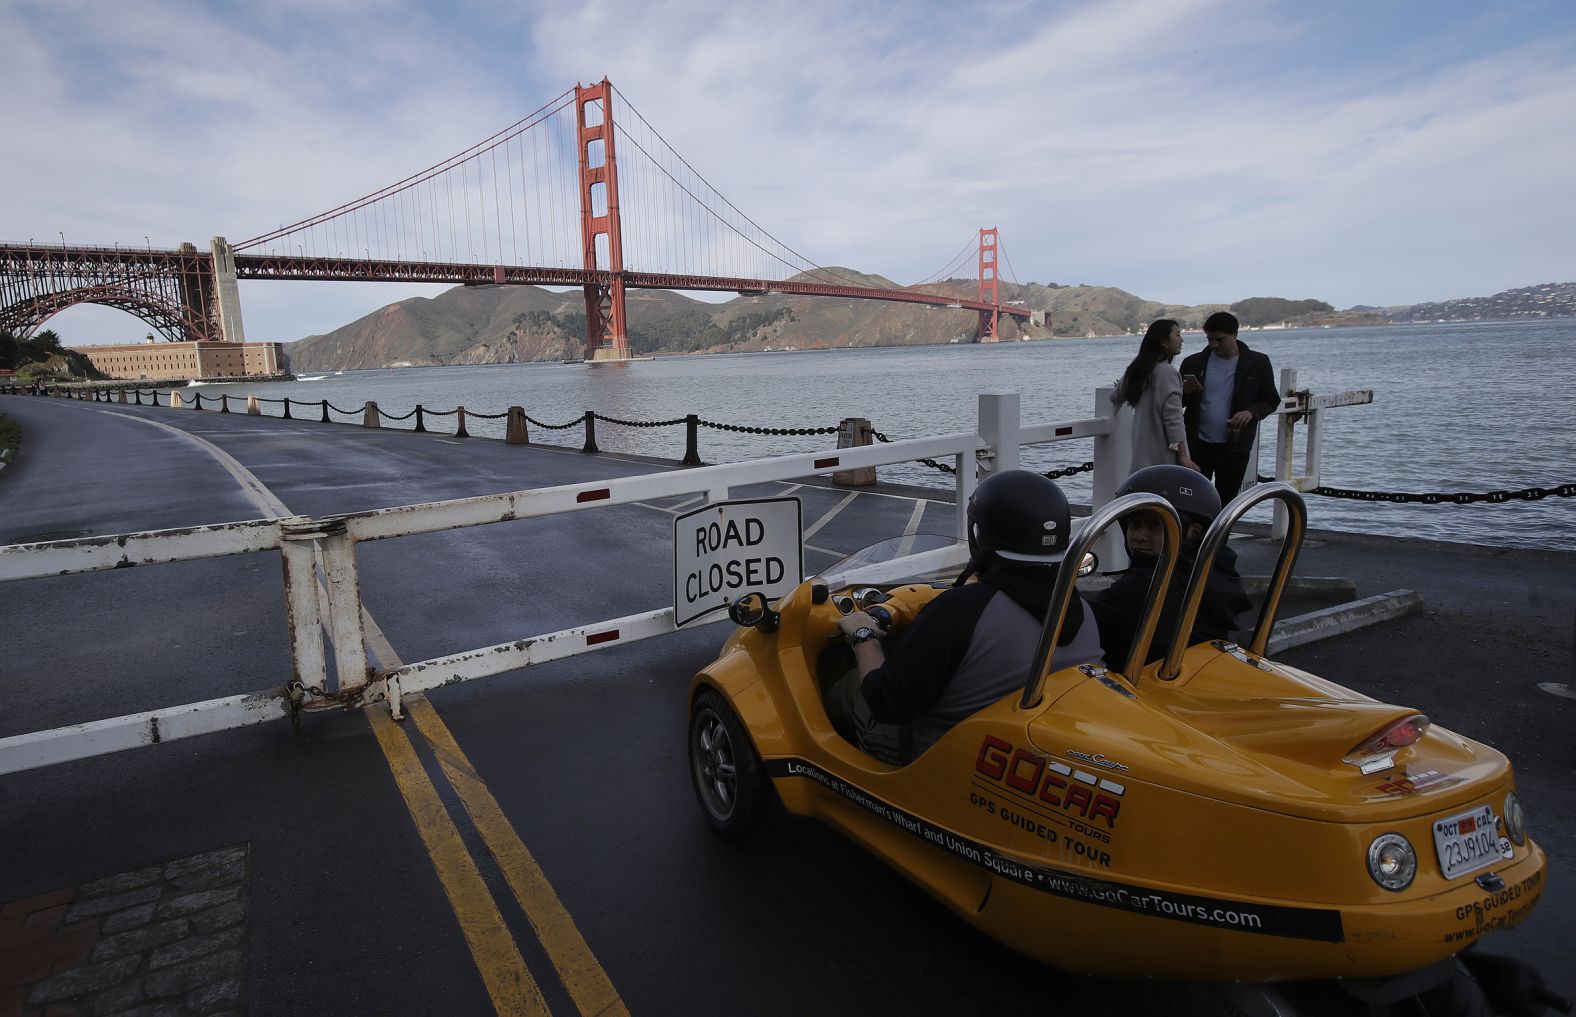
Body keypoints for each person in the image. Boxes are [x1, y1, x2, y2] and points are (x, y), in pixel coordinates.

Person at [825, 470, 1104, 764]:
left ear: (979, 535)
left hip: (945, 759)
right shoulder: (1080, 609)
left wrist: (863, 636)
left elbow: (886, 703)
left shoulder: (961, 611)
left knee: (852, 685)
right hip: (1027, 750)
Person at [1088, 464, 1252, 670]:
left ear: (1193, 531)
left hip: (1137, 690)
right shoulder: (1219, 573)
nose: (1139, 536)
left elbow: (1074, 626)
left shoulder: (1145, 585)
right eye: (1134, 524)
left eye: (1155, 525)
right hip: (1192, 675)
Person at [1180, 311, 1279, 502]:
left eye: (1219, 339)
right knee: (1193, 500)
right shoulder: (1193, 363)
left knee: (1226, 500)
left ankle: (1220, 533)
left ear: (1235, 335)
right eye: (1209, 339)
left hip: (1235, 446)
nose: (1213, 344)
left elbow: (1271, 400)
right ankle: (1195, 532)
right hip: (1197, 444)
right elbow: (1177, 403)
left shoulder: (1258, 362)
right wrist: (1185, 391)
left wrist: (1251, 412)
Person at [1112, 319, 1197, 473]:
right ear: (1164, 341)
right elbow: (1174, 420)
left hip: (1141, 454)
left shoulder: (1136, 370)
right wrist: (1184, 457)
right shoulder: (1167, 372)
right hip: (1163, 455)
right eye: (1177, 335)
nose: (1181, 340)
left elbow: (1115, 397)